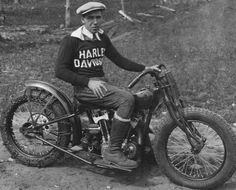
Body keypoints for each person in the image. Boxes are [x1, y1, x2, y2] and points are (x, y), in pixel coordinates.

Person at [55, 1, 159, 169]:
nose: (95, 22)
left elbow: (119, 60)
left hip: (101, 86)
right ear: (83, 19)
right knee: (126, 100)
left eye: (98, 17)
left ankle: (140, 144)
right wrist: (88, 82)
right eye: (90, 18)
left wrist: (145, 68)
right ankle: (113, 151)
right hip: (84, 89)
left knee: (138, 99)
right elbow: (60, 71)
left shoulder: (101, 38)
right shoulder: (72, 40)